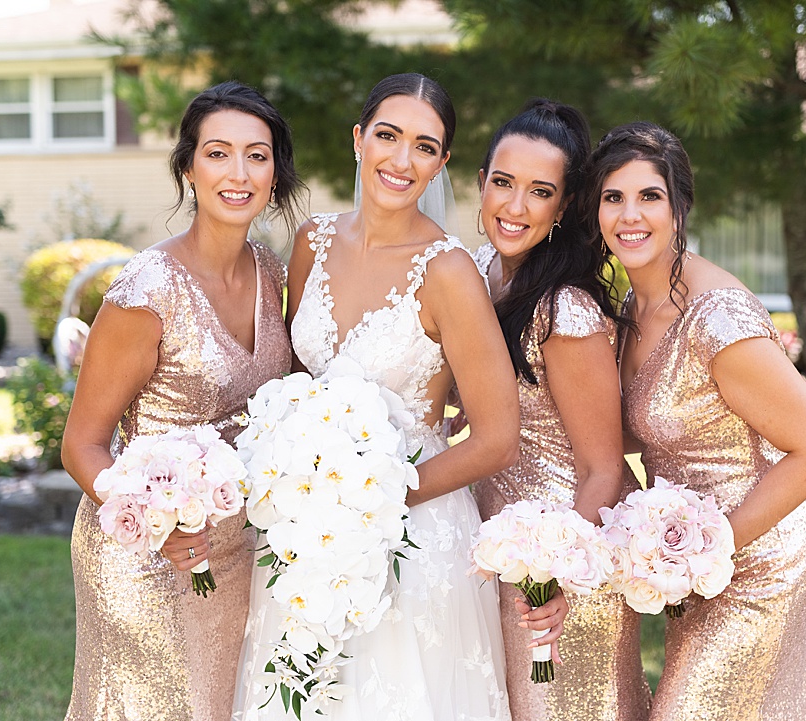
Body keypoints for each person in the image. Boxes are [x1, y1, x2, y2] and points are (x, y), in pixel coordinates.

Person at [234, 73, 564, 721]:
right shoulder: (311, 243)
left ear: (441, 163)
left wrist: (371, 503)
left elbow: (497, 438)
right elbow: (297, 388)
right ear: (359, 139)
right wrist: (309, 496)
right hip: (305, 530)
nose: (402, 159)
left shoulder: (449, 271)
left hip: (416, 532)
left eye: (424, 146)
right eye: (388, 136)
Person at [60, 80, 306, 720]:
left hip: (238, 546)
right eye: (218, 153)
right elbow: (81, 444)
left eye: (257, 155)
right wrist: (154, 521)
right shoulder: (146, 291)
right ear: (188, 169)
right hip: (145, 555)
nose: (238, 173)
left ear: (275, 173)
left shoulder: (269, 270)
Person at [585, 121, 806, 721]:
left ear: (680, 208)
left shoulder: (715, 317)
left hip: (761, 556)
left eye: (649, 196)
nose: (630, 215)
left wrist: (710, 548)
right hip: (688, 557)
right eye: (613, 197)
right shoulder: (633, 305)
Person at [469, 99, 650, 721]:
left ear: (566, 206)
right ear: (481, 182)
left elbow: (605, 466)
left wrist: (563, 576)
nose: (515, 207)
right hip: (498, 539)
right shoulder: (477, 275)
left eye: (540, 191)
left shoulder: (565, 308)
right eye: (503, 182)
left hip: (566, 551)